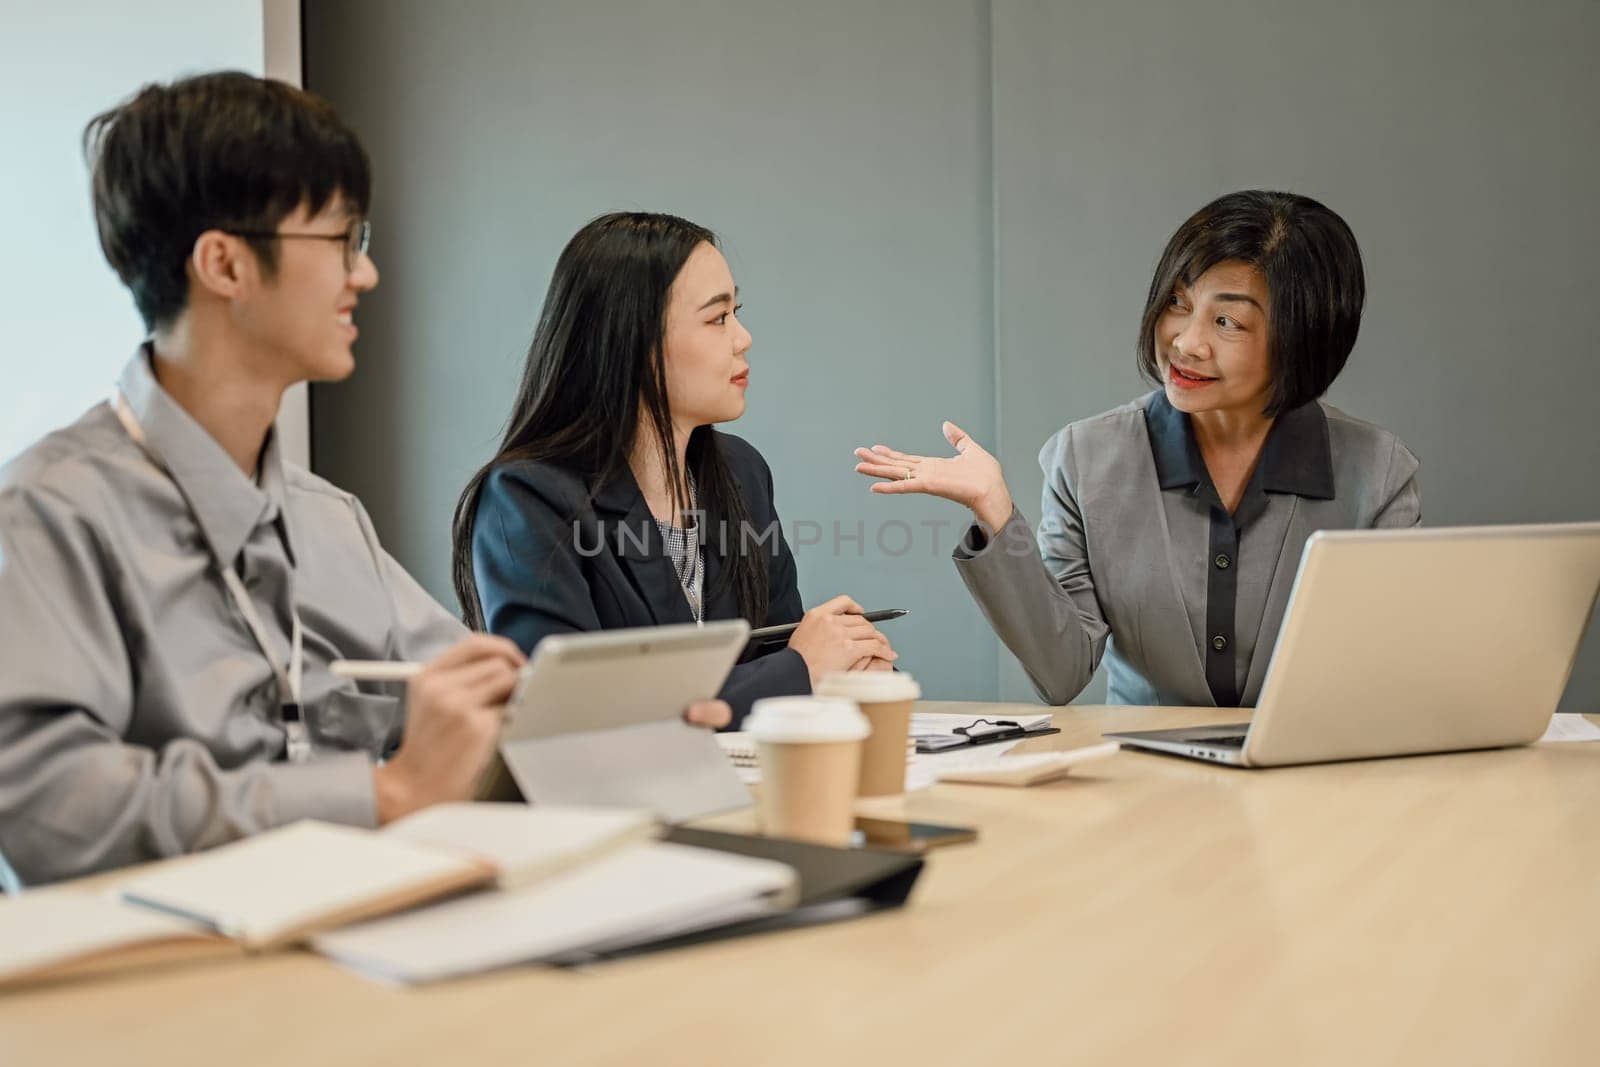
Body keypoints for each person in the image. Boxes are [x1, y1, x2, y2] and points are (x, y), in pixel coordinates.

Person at [0, 75, 721, 886]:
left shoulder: (324, 518)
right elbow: (45, 806)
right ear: (225, 263)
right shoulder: (52, 508)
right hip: (159, 973)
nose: (365, 275)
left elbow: (480, 691)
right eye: (341, 241)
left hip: (341, 927)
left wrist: (616, 719)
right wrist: (378, 793)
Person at [855, 190, 1420, 707]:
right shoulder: (1085, 457)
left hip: (1314, 783)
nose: (1186, 342)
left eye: (1227, 321)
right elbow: (1062, 669)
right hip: (1143, 781)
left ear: (1305, 337)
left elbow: (1395, 676)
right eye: (1178, 303)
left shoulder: (1377, 471)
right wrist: (994, 511)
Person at [454, 212, 896, 728]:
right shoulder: (525, 498)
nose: (743, 338)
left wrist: (848, 668)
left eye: (737, 312)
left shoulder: (742, 472)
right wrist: (801, 670)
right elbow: (569, 714)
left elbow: (776, 650)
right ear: (634, 343)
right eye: (718, 318)